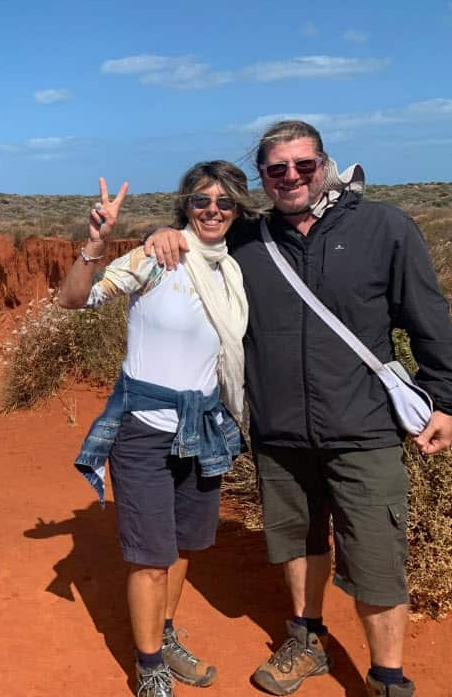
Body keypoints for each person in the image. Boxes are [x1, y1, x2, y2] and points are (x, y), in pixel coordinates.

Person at [145, 120, 452, 697]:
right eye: (276, 169)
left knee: (377, 556)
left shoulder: (384, 228)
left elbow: (429, 319)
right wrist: (163, 232)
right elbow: (196, 236)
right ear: (261, 178)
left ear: (325, 164)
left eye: (303, 166)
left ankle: (388, 677)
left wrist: (447, 400)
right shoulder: (248, 241)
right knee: (296, 540)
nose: (291, 177)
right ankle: (306, 639)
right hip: (279, 431)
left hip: (364, 429)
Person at [58, 161, 257, 697]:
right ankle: (150, 667)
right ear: (185, 205)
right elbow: (75, 299)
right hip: (144, 429)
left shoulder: (234, 269)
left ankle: (165, 636)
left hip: (205, 426)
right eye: (201, 201)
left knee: (185, 546)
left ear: (238, 210)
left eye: (224, 202)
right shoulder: (157, 256)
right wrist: (95, 244)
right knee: (151, 556)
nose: (212, 210)